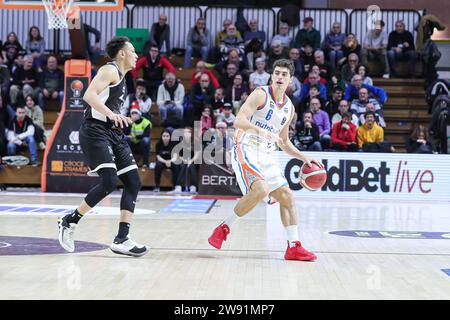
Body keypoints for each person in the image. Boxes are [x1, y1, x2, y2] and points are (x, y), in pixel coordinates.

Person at [208, 59, 323, 261]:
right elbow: (239, 121)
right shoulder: (261, 94)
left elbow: (285, 141)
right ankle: (224, 228)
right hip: (246, 148)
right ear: (272, 76)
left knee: (287, 196)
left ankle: (293, 246)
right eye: (277, 73)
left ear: (291, 80)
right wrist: (262, 132)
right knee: (260, 190)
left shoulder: (289, 108)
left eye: (284, 74)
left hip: (267, 154)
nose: (279, 77)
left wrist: (305, 158)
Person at [57, 36, 149, 257]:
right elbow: (89, 95)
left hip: (112, 132)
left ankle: (122, 238)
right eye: (133, 50)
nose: (136, 55)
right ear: (122, 54)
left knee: (133, 182)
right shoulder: (110, 70)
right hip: (95, 130)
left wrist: (118, 117)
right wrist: (111, 114)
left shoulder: (124, 78)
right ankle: (70, 220)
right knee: (109, 181)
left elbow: (107, 104)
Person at [172, 127, 200, 193]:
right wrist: (183, 159)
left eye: (188, 132)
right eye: (185, 132)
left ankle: (193, 186)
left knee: (192, 166)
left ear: (191, 134)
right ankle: (178, 186)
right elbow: (177, 154)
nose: (186, 134)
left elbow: (197, 154)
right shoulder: (180, 141)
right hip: (182, 159)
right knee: (183, 165)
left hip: (193, 160)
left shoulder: (195, 142)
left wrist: (191, 161)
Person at [124, 103, 152, 168]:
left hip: (141, 144)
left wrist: (135, 137)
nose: (134, 115)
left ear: (139, 114)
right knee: (124, 139)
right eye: (132, 113)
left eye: (135, 113)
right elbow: (125, 133)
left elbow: (146, 135)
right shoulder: (130, 122)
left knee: (146, 140)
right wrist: (130, 124)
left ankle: (145, 163)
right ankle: (127, 163)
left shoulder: (146, 122)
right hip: (132, 144)